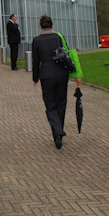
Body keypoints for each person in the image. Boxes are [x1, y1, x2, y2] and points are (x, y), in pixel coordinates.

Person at [32, 14, 82, 150]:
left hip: (46, 75)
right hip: (61, 74)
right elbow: (66, 53)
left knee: (50, 105)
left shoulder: (36, 40)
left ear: (40, 26)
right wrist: (76, 73)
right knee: (61, 103)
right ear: (52, 25)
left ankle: (58, 131)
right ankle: (58, 135)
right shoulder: (58, 37)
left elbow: (36, 61)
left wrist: (35, 78)